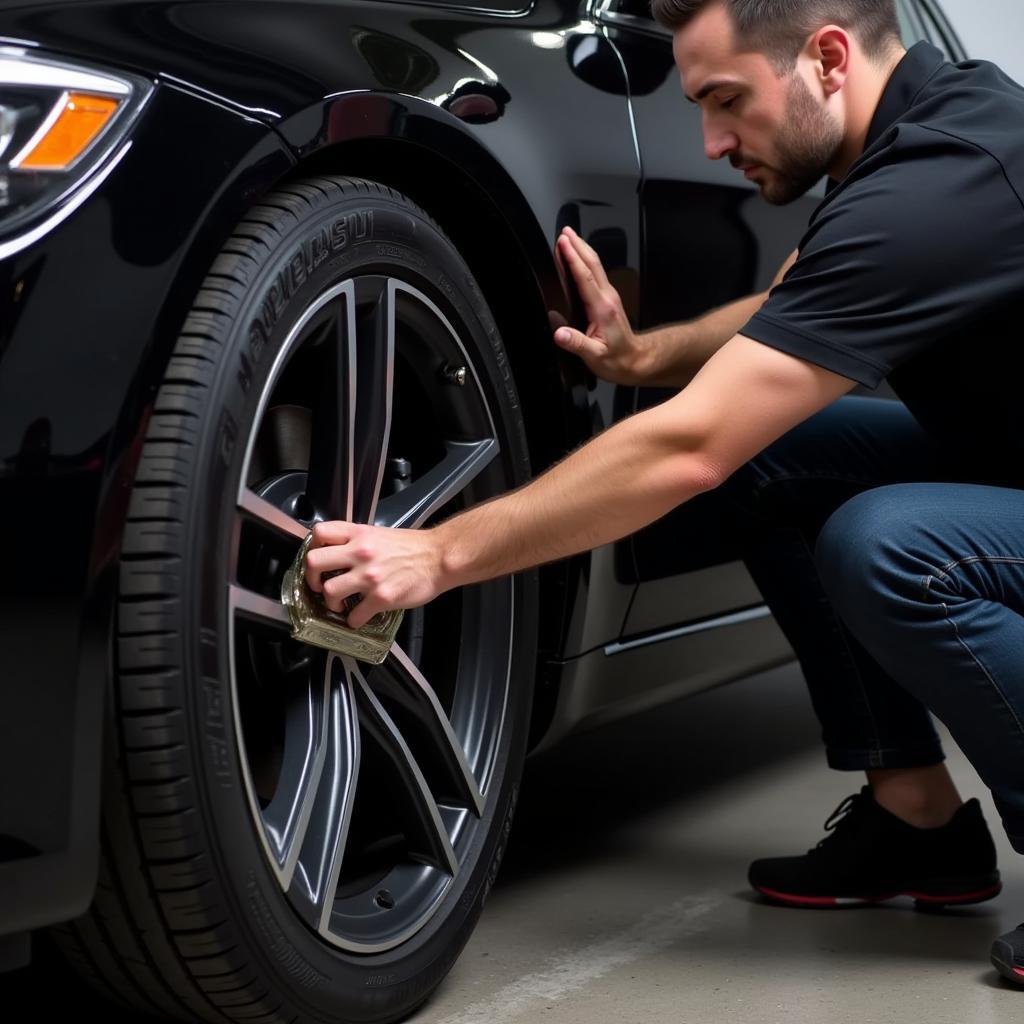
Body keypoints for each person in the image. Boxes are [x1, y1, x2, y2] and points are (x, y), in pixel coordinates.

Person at [304, 0, 1024, 982]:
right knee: (783, 459)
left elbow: (689, 449)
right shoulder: (920, 130)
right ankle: (918, 823)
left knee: (888, 544)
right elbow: (795, 305)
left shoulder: (946, 177)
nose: (713, 141)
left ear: (824, 58)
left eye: (726, 101)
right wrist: (646, 357)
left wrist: (437, 552)